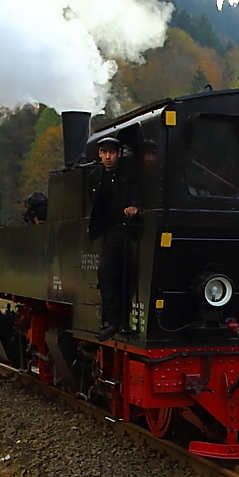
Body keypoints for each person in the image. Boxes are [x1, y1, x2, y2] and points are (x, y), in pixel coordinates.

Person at [87, 136, 140, 341]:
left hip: (128, 228)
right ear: (100, 154)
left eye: (112, 153)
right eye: (104, 153)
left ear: (118, 154)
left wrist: (135, 206)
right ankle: (112, 321)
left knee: (128, 275)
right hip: (110, 230)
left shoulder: (129, 172)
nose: (108, 157)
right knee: (105, 274)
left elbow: (138, 190)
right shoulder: (95, 175)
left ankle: (124, 319)